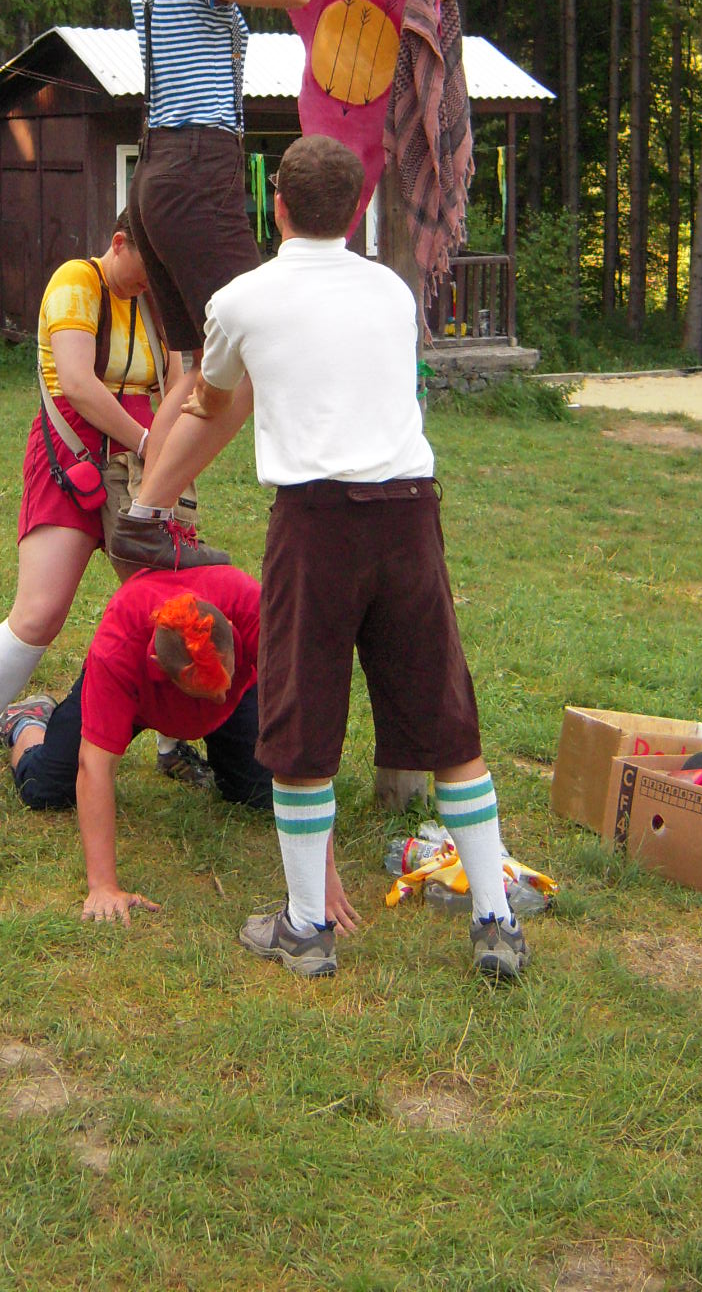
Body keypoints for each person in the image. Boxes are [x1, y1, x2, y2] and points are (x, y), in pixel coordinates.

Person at [193, 134, 530, 983]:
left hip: (316, 525)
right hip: (410, 516)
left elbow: (212, 395)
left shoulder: (239, 300)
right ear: (355, 213)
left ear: (275, 205)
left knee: (301, 725)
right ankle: (494, 920)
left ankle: (307, 929)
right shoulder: (391, 291)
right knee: (447, 721)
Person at [111, 0, 386, 571]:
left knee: (197, 365)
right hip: (199, 173)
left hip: (157, 176)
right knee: (252, 359)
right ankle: (147, 519)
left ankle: (147, 517)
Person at [0, 214, 202, 810]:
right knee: (39, 614)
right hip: (73, 453)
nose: (152, 282)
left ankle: (173, 743)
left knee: (169, 606)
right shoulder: (77, 280)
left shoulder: (156, 300)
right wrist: (147, 441)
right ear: (119, 243)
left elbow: (175, 385)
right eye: (147, 268)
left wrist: (168, 456)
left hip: (140, 461)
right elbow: (77, 384)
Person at [0, 566, 358, 933]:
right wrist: (102, 886)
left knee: (261, 791)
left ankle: (209, 729)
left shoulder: (254, 609)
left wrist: (321, 880)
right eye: (207, 690)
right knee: (45, 787)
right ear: (158, 665)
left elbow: (302, 731)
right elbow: (95, 765)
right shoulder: (118, 649)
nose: (219, 696)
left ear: (232, 630)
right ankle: (27, 721)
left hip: (241, 691)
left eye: (223, 679)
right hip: (137, 700)